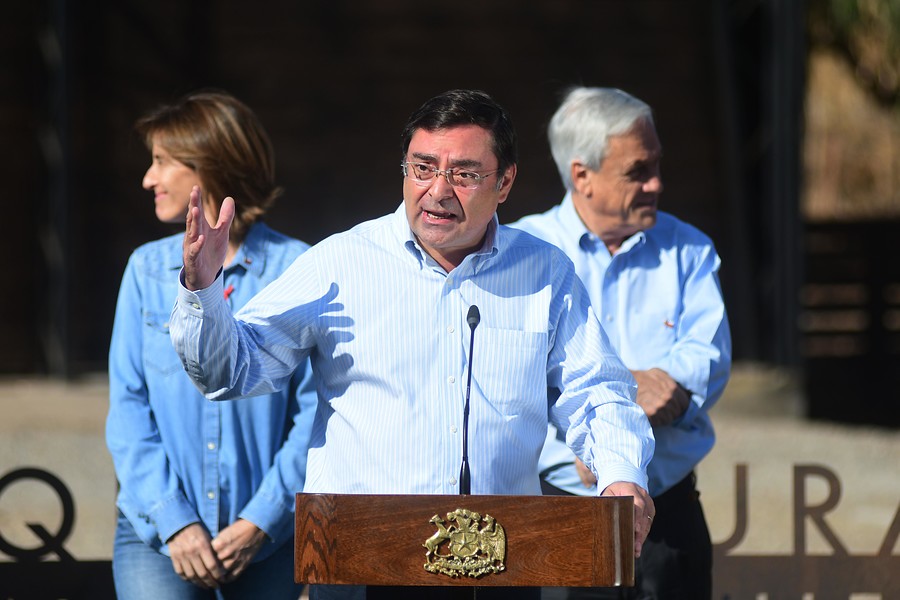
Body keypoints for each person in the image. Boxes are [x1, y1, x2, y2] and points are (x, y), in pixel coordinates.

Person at [168, 89, 656, 600]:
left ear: (505, 182)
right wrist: (204, 291)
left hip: (502, 562)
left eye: (464, 175)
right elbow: (230, 372)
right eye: (423, 168)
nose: (438, 191)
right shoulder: (340, 262)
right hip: (360, 562)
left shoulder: (544, 271)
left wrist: (620, 475)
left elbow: (595, 390)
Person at [509, 87, 732, 600]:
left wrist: (611, 424)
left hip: (667, 515)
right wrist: (608, 417)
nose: (657, 183)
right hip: (556, 509)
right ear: (582, 175)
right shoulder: (521, 253)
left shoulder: (688, 249)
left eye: (657, 165)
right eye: (638, 171)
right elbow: (505, 372)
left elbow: (708, 357)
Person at [105, 90, 317, 600]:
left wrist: (262, 519)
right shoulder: (146, 270)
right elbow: (127, 407)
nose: (148, 178)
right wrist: (174, 521)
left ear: (210, 166)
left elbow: (318, 414)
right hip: (158, 535)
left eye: (162, 161)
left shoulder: (299, 270)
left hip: (268, 538)